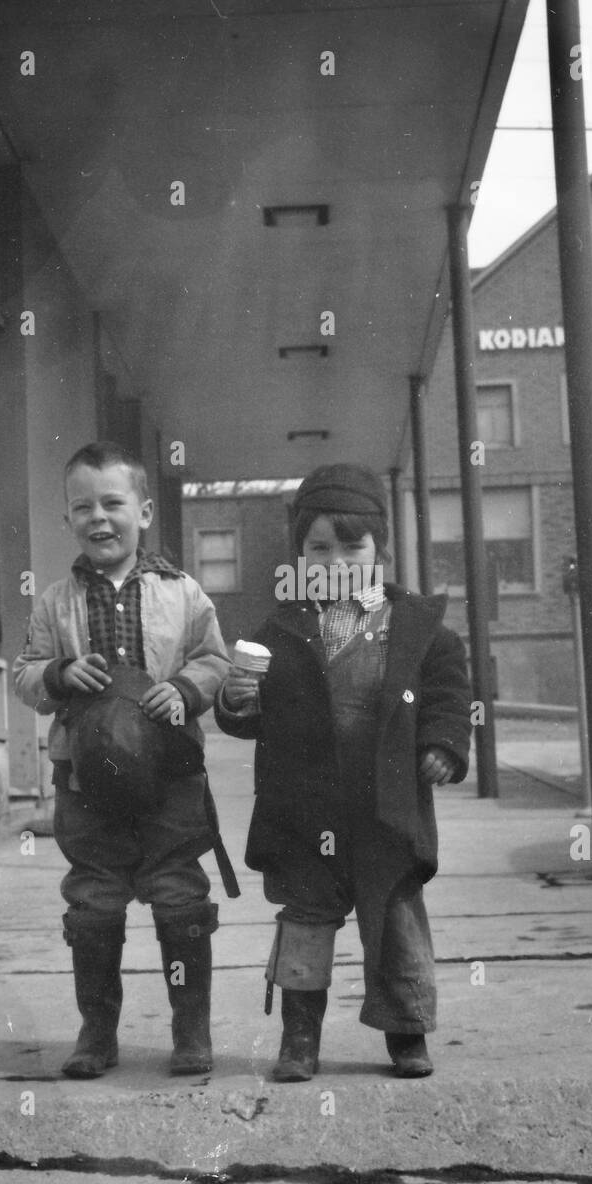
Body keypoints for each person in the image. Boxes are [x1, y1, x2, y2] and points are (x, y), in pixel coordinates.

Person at [215, 462, 470, 1080]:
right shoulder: (281, 629)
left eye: (351, 546)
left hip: (385, 808)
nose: (335, 562)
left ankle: (407, 1034)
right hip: (305, 811)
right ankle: (300, 1040)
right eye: (318, 548)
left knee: (398, 924)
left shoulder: (420, 630)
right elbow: (249, 718)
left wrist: (442, 743)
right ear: (300, 553)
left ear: (380, 547)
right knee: (304, 925)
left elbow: (447, 696)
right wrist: (238, 701)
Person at [13, 441, 230, 1078]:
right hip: (88, 786)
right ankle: (97, 1033)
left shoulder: (183, 592)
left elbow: (214, 659)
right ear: (67, 521)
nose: (99, 518)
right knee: (94, 908)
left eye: (113, 503)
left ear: (144, 512)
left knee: (181, 902)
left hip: (170, 782)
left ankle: (190, 1031)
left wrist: (186, 689)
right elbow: (24, 676)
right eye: (83, 507)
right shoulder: (55, 603)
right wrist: (59, 671)